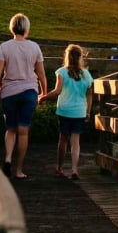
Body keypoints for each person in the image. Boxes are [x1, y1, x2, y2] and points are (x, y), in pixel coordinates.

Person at [0, 12, 46, 179]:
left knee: (10, 128)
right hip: (29, 91)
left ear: (12, 28)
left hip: (9, 92)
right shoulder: (34, 47)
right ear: (26, 28)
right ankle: (18, 170)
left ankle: (8, 159)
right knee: (23, 131)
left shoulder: (5, 46)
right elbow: (41, 74)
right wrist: (44, 93)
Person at [43, 44, 95, 180]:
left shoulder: (61, 72)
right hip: (79, 111)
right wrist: (88, 112)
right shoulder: (86, 75)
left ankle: (59, 168)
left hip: (65, 110)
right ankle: (74, 169)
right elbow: (90, 94)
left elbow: (58, 91)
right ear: (80, 57)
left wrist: (44, 97)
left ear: (67, 56)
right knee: (76, 142)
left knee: (63, 139)